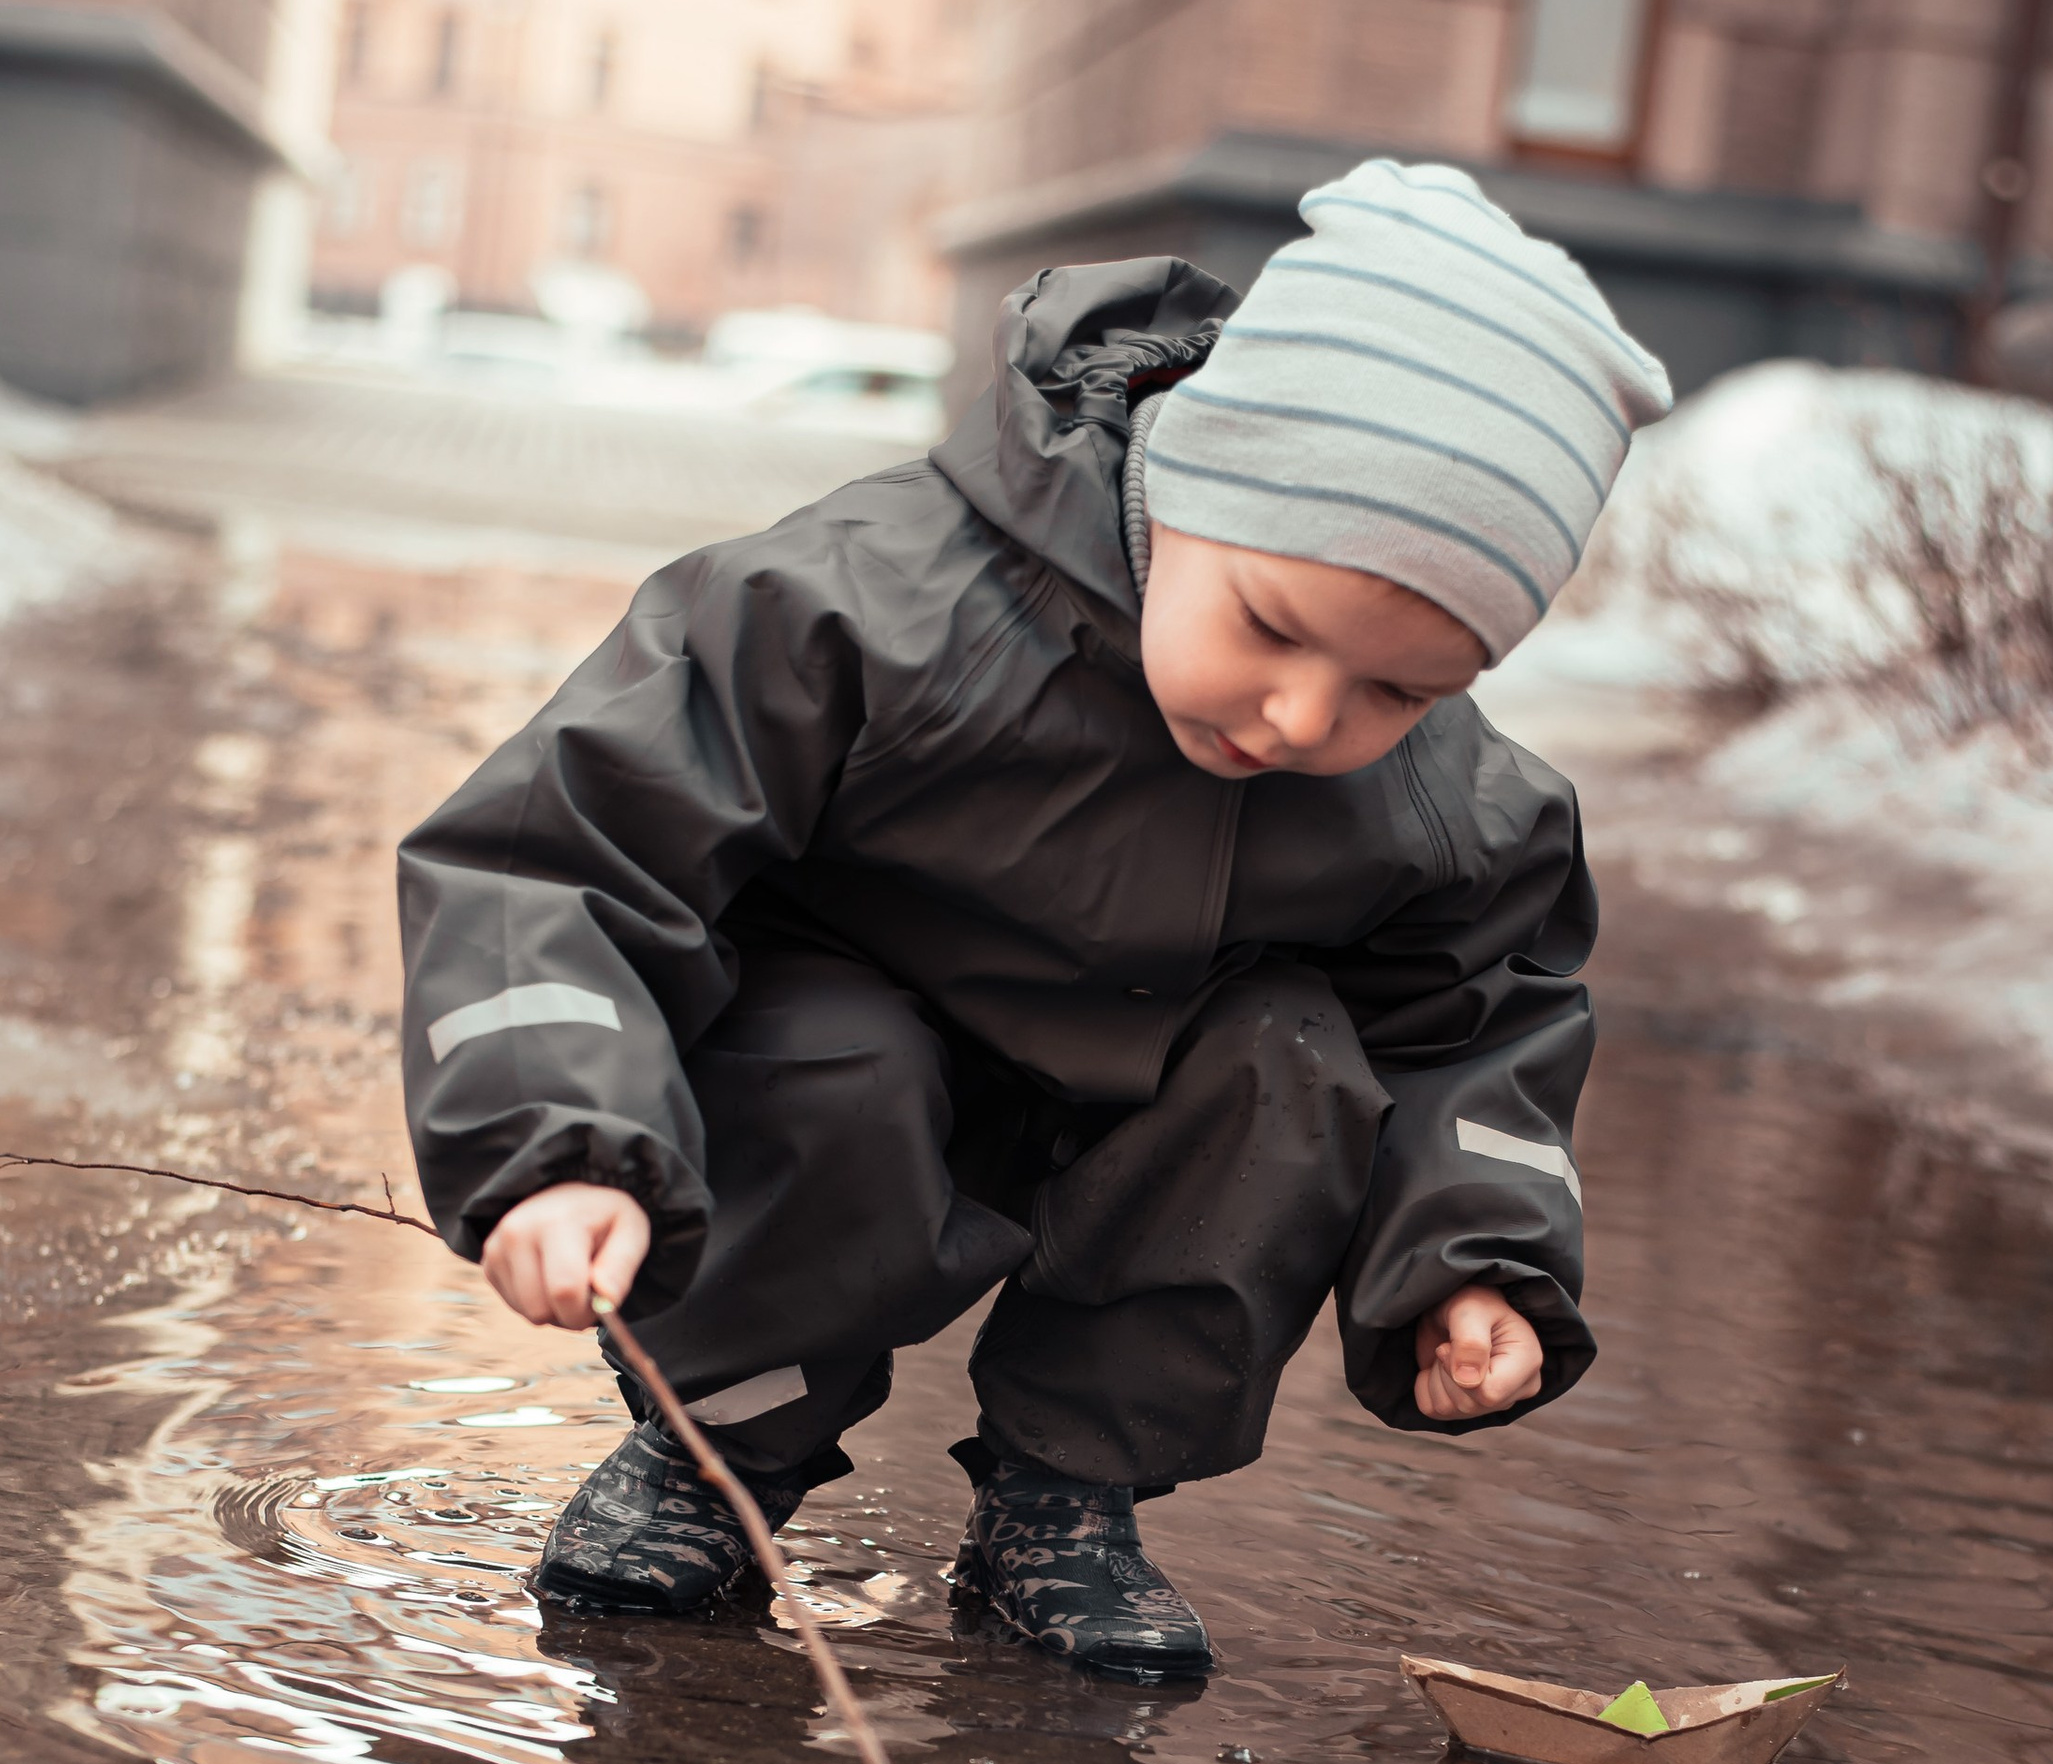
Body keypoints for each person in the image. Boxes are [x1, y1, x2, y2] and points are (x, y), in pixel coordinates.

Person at [399, 160, 1671, 1680]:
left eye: (1396, 689)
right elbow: (563, 856)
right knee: (827, 1056)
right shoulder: (869, 606)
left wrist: (1474, 1257)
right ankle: (717, 1444)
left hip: (1146, 1102)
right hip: (845, 1070)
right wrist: (560, 1138)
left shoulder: (1438, 794)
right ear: (1191, 475)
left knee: (1284, 1063)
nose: (1302, 715)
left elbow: (1481, 1023)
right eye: (1271, 626)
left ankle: (1066, 1496)